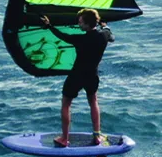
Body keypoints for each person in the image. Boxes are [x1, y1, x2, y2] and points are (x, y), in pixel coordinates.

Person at [40, 8, 115, 147]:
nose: (78, 24)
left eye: (80, 22)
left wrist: (49, 26)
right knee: (93, 102)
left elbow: (62, 36)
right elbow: (111, 36)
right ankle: (97, 136)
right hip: (92, 75)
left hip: (77, 75)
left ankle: (64, 138)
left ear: (87, 24)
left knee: (66, 104)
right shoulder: (103, 36)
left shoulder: (80, 39)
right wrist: (104, 26)